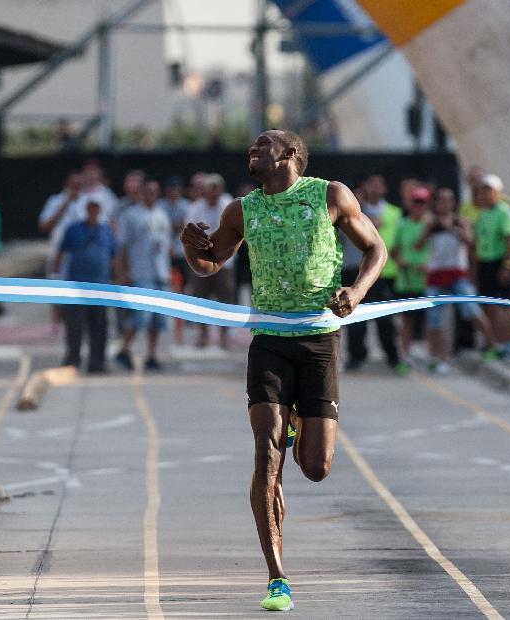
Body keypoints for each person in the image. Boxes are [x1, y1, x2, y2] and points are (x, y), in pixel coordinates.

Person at [181, 130, 386, 612]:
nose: (252, 149)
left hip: (318, 342)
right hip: (269, 341)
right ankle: (277, 577)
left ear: (290, 154)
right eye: (250, 144)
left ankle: (298, 422)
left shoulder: (330, 195)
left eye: (264, 143)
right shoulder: (241, 210)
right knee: (265, 452)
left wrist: (355, 295)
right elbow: (211, 263)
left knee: (315, 468)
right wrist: (192, 249)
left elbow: (375, 250)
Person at [416, 187, 498, 373]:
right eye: (441, 200)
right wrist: (429, 229)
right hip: (436, 275)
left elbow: (470, 241)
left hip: (457, 274)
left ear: (453, 203)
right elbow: (419, 245)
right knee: (435, 318)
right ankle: (439, 357)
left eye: (449, 200)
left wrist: (453, 228)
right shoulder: (431, 223)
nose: (445, 204)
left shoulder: (460, 221)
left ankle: (494, 346)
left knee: (472, 309)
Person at [345, 173, 404, 373]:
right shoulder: (341, 217)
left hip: (377, 272)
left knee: (384, 318)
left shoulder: (379, 215)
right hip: (351, 271)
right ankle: (356, 356)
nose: (358, 199)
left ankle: (393, 357)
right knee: (354, 319)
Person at [114, 179, 172, 371]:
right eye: (148, 191)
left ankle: (152, 354)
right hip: (141, 271)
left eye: (155, 191)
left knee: (158, 318)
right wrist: (123, 271)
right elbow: (122, 246)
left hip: (160, 271)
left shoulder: (162, 214)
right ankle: (124, 349)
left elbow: (166, 245)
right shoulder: (131, 215)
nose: (151, 195)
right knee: (141, 315)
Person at [53, 199, 116, 372]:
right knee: (74, 325)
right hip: (77, 285)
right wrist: (56, 275)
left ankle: (97, 362)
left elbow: (113, 255)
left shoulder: (106, 231)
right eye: (91, 208)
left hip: (100, 285)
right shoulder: (74, 229)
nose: (93, 212)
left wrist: (118, 278)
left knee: (99, 326)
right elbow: (60, 253)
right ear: (87, 210)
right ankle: (73, 359)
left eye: (96, 208)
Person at [186, 173, 236, 348]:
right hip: (202, 261)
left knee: (225, 299)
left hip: (225, 261)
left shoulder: (228, 204)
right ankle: (202, 334)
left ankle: (224, 336)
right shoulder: (195, 208)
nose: (214, 193)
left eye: (217, 189)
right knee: (200, 299)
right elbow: (189, 236)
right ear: (204, 191)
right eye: (211, 189)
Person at [474, 174, 510, 357]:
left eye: (489, 190)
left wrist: (507, 266)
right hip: (485, 263)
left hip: (499, 262)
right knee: (487, 305)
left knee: (501, 306)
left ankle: (506, 344)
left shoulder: (504, 212)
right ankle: (495, 344)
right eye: (483, 190)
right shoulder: (483, 213)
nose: (485, 194)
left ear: (498, 193)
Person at [391, 185, 432, 362]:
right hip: (407, 279)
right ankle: (404, 355)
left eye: (422, 202)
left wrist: (429, 265)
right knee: (407, 321)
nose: (419, 205)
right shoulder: (403, 224)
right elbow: (394, 250)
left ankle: (432, 355)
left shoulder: (431, 225)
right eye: (416, 202)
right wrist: (400, 262)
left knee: (430, 319)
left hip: (427, 279)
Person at [158, 176, 191, 343]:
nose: (173, 192)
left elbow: (186, 226)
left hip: (181, 252)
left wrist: (176, 226)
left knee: (183, 286)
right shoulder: (160, 206)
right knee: (166, 284)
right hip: (165, 253)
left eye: (176, 188)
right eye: (170, 188)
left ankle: (182, 315)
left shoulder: (186, 206)